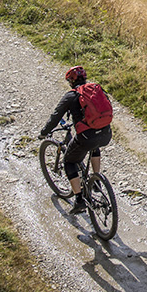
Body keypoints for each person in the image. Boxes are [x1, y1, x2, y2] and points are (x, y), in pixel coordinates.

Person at [38, 66, 113, 215]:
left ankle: (79, 200)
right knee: (94, 145)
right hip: (105, 134)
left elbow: (56, 116)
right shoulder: (96, 89)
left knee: (69, 161)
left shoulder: (71, 96)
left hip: (86, 137)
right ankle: (96, 180)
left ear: (71, 81)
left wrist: (43, 133)